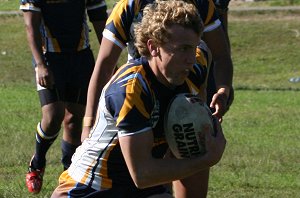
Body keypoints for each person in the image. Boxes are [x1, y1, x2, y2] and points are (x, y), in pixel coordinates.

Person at [51, 1, 227, 197]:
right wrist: (206, 159)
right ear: (153, 47)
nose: (191, 59)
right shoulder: (131, 88)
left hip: (144, 189)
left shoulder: (194, 68)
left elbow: (211, 59)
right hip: (92, 187)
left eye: (193, 48)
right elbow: (142, 175)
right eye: (183, 49)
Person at [82, 0, 234, 142]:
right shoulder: (130, 6)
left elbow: (221, 56)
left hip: (187, 94)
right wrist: (89, 122)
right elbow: (104, 65)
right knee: (142, 161)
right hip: (142, 94)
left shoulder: (201, 4)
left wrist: (223, 91)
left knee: (193, 156)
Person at [20, 0, 108, 194]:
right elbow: (30, 26)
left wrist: (110, 60)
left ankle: (68, 175)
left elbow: (100, 21)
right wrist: (40, 64)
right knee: (53, 116)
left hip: (81, 57)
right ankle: (37, 163)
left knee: (75, 120)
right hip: (49, 58)